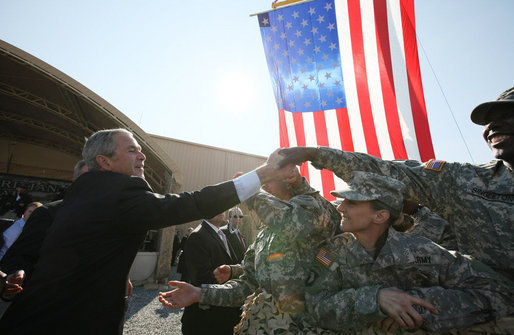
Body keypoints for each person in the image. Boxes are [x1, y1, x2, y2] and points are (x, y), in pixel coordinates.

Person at [0, 128, 295, 335]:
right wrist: (265, 173)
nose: (142, 157)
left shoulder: (85, 195)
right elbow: (192, 203)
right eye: (131, 151)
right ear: (104, 162)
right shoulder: (118, 192)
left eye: (141, 151)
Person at [278, 86, 514, 281]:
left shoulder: (419, 249)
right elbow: (391, 172)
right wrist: (316, 154)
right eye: (490, 120)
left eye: (507, 116)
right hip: (493, 302)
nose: (492, 126)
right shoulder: (465, 180)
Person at [304, 171, 514, 333]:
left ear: (380, 216)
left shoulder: (422, 250)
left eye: (352, 202)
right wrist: (375, 299)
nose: (340, 208)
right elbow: (316, 305)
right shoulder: (332, 251)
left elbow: (498, 292)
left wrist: (415, 305)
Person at [159, 168, 342, 334]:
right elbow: (247, 285)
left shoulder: (314, 216)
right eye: (262, 182)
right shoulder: (265, 235)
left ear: (288, 181)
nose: (265, 186)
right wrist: (200, 293)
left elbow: (302, 221)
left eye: (268, 179)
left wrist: (249, 190)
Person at [179, 212, 242, 335]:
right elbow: (202, 278)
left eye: (221, 205)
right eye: (214, 204)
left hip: (224, 315)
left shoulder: (221, 234)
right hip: (207, 319)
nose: (220, 209)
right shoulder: (198, 235)